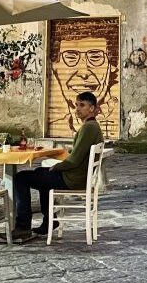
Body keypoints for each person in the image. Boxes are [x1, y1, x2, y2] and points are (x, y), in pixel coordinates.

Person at [7, 91, 103, 239]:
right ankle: (49, 221)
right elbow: (77, 153)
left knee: (21, 178)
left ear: (92, 108)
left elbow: (74, 160)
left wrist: (56, 167)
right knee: (41, 173)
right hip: (77, 176)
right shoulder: (92, 127)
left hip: (72, 179)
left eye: (82, 105)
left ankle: (23, 227)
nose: (77, 109)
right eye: (76, 105)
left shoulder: (88, 128)